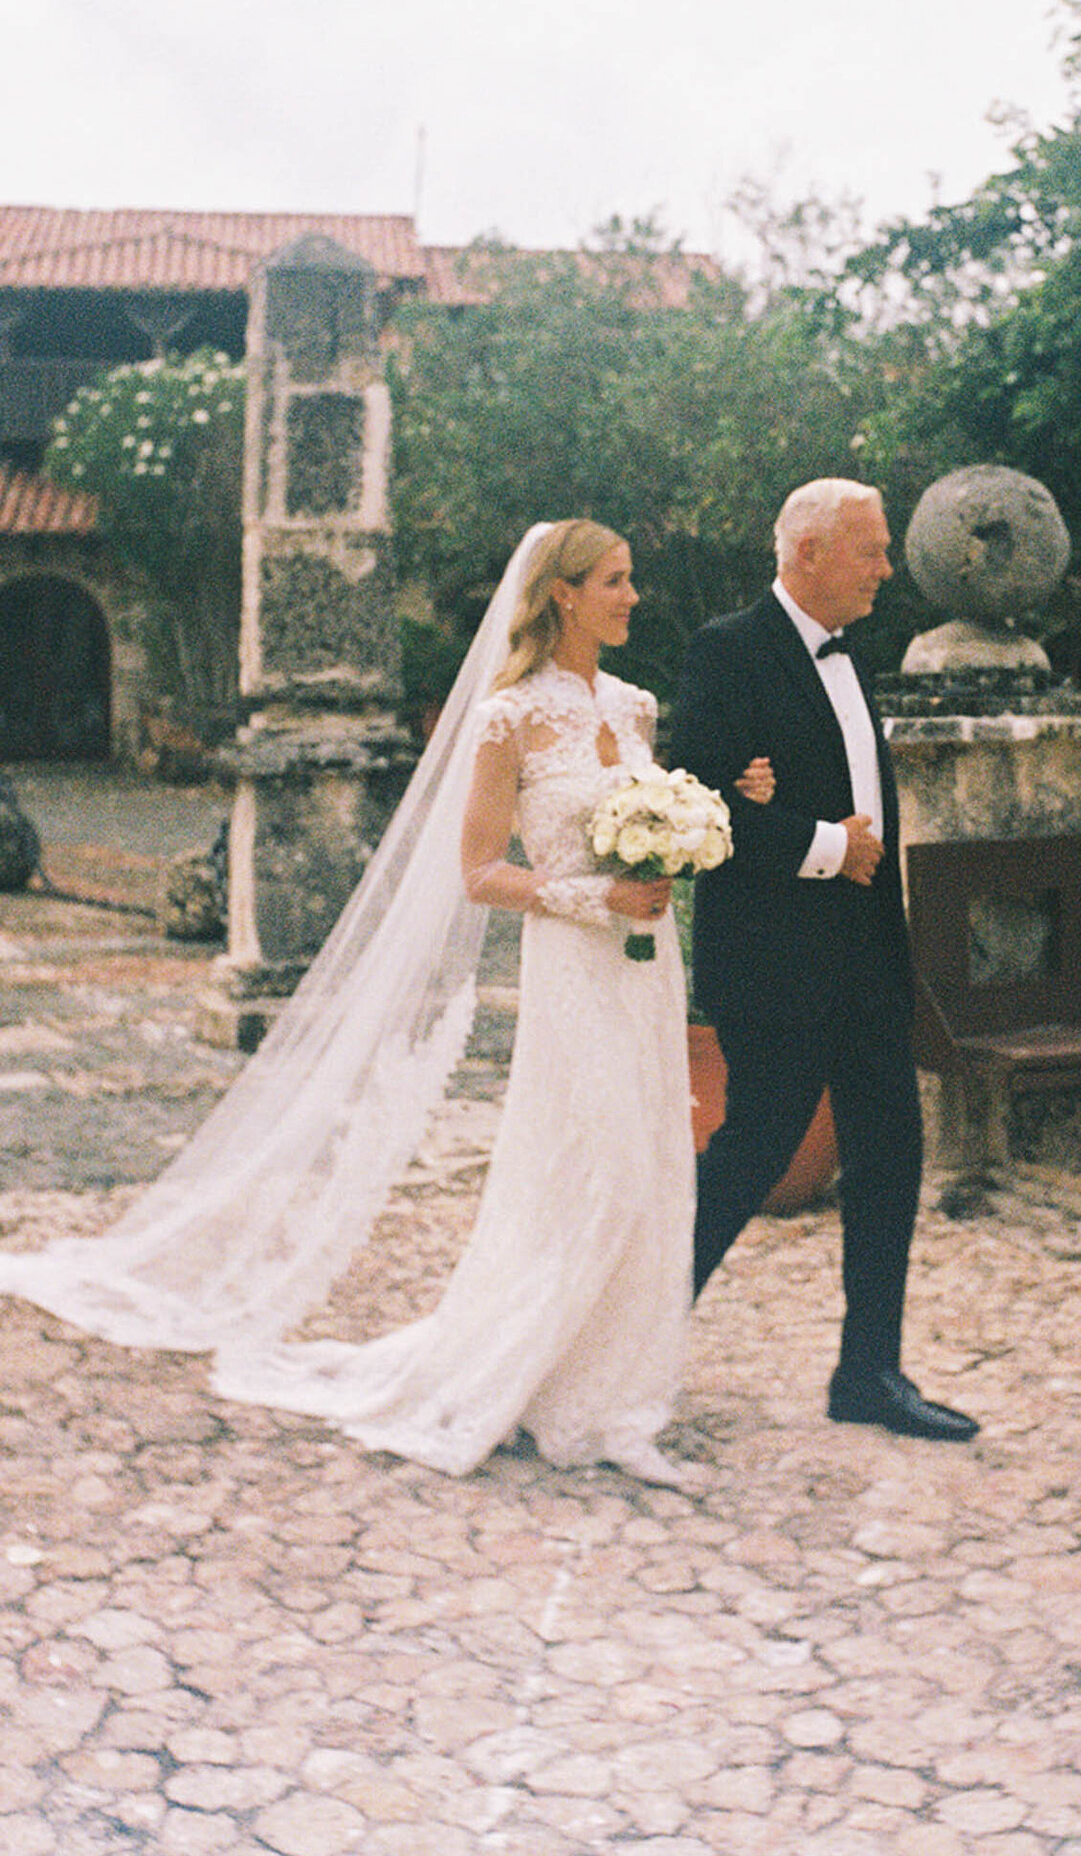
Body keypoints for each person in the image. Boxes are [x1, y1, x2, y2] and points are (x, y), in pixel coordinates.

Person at [0, 520, 766, 1487]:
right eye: (615, 581)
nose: (633, 596)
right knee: (596, 1166)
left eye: (631, 579)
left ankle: (614, 1395)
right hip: (573, 965)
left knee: (654, 1164)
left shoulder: (637, 705)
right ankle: (538, 1386)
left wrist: (697, 830)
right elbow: (481, 871)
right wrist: (591, 897)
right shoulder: (510, 718)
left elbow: (650, 828)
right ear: (563, 594)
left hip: (647, 970)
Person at [671, 478, 979, 1442]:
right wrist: (823, 846)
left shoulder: (858, 656)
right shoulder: (725, 651)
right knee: (750, 1154)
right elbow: (700, 812)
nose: (890, 568)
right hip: (773, 962)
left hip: (865, 962)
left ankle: (869, 1374)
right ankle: (627, 1342)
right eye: (872, 550)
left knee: (892, 1154)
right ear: (807, 553)